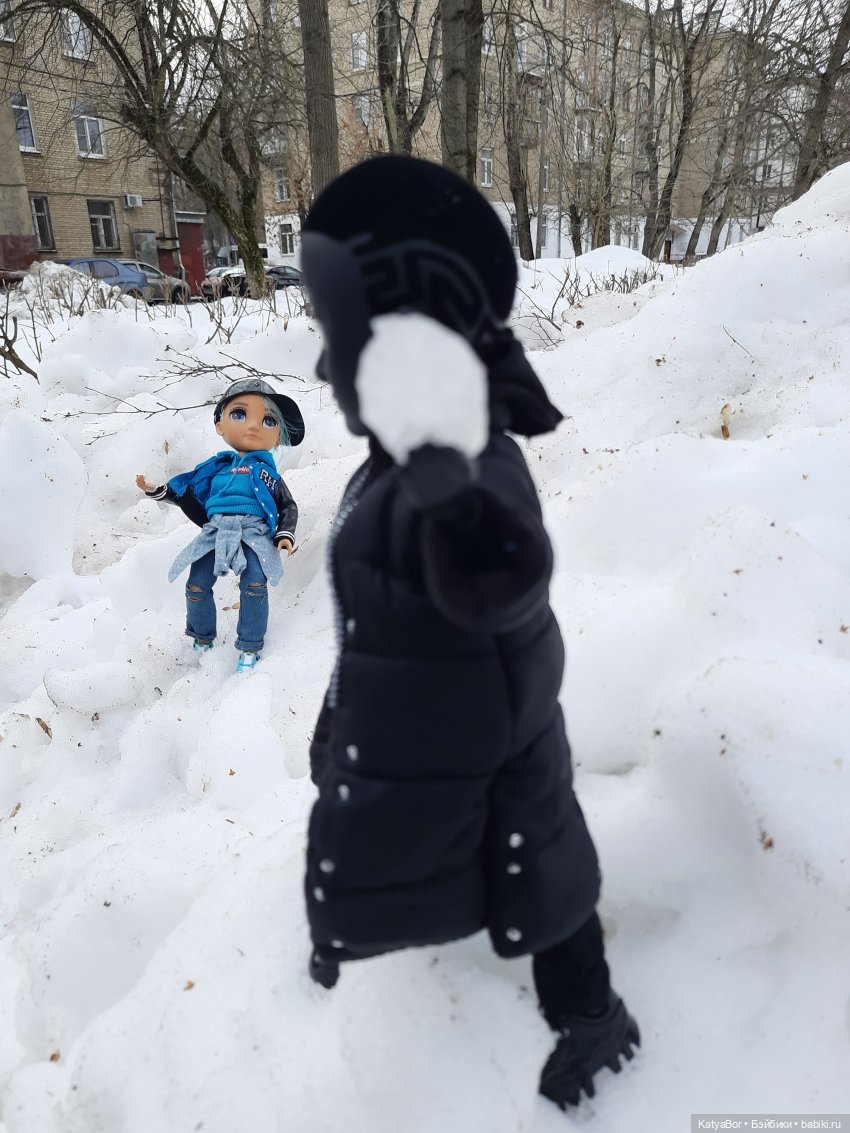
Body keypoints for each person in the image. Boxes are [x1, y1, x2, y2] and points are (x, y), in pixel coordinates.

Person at [299, 155, 639, 1110]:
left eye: (343, 334)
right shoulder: (398, 445)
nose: (328, 365)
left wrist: (458, 508)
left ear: (404, 342)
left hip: (493, 730)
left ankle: (594, 1017)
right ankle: (349, 931)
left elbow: (509, 574)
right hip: (421, 709)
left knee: (544, 877)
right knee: (476, 850)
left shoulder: (468, 456)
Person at [136, 378, 304, 673]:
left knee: (254, 585)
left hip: (254, 534)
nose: (253, 426)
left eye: (268, 420)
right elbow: (186, 493)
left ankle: (250, 648)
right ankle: (201, 639)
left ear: (278, 435)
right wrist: (158, 491)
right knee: (196, 586)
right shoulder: (214, 470)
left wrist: (284, 533)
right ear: (220, 425)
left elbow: (287, 504)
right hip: (215, 532)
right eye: (239, 414)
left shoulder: (268, 475)